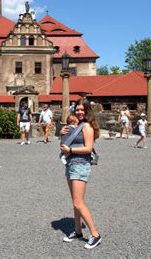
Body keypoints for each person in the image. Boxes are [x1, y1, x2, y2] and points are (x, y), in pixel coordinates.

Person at [60, 98, 102, 250]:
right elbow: (64, 144)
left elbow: (88, 148)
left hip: (80, 165)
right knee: (75, 202)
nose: (79, 112)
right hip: (70, 164)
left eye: (82, 109)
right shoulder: (74, 125)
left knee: (79, 202)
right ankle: (78, 231)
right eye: (77, 109)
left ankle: (95, 234)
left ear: (87, 110)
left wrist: (70, 151)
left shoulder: (87, 127)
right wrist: (62, 133)